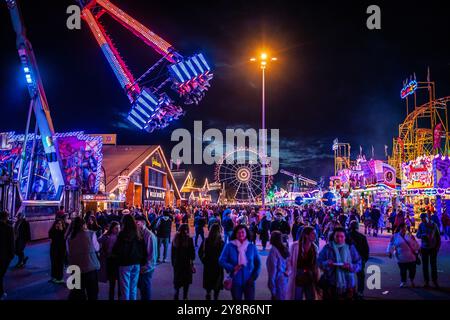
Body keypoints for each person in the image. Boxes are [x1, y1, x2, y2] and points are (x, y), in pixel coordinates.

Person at [318, 227, 361, 300]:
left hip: (348, 283)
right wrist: (326, 263)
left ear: (345, 237)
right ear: (333, 236)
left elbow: (359, 264)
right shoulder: (328, 247)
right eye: (337, 236)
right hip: (330, 282)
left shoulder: (350, 248)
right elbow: (319, 261)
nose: (339, 239)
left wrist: (350, 266)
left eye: (342, 236)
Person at [219, 225, 261, 300]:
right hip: (235, 280)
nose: (241, 234)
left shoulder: (251, 247)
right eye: (238, 233)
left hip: (249, 281)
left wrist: (254, 277)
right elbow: (221, 260)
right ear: (235, 234)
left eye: (242, 232)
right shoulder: (229, 246)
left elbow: (258, 263)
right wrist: (232, 267)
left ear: (246, 233)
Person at [112, 215, 147, 300]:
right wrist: (143, 262)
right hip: (136, 262)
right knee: (133, 287)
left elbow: (117, 249)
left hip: (125, 263)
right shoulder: (138, 233)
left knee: (125, 288)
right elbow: (143, 248)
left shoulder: (122, 234)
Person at [67, 217, 101, 300]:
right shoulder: (91, 234)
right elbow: (97, 248)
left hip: (75, 268)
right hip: (90, 267)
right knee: (92, 293)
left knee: (77, 294)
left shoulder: (69, 237)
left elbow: (69, 252)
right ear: (84, 224)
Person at [286, 226, 319, 300]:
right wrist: (289, 271)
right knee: (297, 296)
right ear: (306, 235)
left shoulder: (315, 248)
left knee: (311, 296)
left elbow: (316, 263)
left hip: (310, 275)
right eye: (313, 234)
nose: (315, 236)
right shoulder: (295, 246)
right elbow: (289, 260)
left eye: (315, 234)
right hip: (298, 274)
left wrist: (316, 274)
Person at [387, 223, 420, 288]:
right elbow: (391, 244)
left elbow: (415, 244)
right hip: (400, 257)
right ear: (400, 228)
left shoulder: (410, 235)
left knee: (412, 270)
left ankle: (411, 280)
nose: (404, 229)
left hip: (411, 257)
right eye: (402, 228)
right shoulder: (395, 236)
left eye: (405, 228)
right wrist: (389, 252)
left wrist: (418, 249)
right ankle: (403, 281)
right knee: (403, 270)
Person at [198, 223, 224, 300]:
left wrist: (204, 261)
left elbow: (200, 252)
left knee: (208, 281)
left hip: (208, 264)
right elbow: (225, 254)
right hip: (218, 265)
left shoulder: (206, 241)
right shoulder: (221, 243)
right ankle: (215, 297)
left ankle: (208, 294)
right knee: (217, 283)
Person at [416, 213, 441, 288]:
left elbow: (438, 237)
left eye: (424, 218)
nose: (423, 220)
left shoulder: (434, 225)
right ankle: (426, 281)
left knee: (433, 265)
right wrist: (422, 235)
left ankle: (435, 281)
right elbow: (417, 235)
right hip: (424, 248)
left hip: (433, 248)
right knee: (425, 266)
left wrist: (438, 247)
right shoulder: (421, 225)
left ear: (427, 218)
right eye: (422, 219)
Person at [136, 215, 158, 300]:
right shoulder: (140, 234)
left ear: (142, 223)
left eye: (137, 223)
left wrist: (147, 267)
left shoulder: (149, 235)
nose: (135, 225)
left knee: (145, 288)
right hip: (141, 265)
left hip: (146, 267)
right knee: (142, 287)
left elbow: (152, 253)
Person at [171, 224, 196, 300]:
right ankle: (185, 296)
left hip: (177, 262)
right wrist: (192, 261)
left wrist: (173, 262)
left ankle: (176, 292)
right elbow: (192, 254)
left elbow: (173, 253)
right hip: (186, 263)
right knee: (186, 280)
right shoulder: (189, 239)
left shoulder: (175, 239)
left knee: (177, 279)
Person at [346, 220, 369, 299]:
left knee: (348, 276)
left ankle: (350, 291)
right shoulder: (362, 237)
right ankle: (360, 291)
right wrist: (364, 259)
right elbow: (366, 249)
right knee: (360, 276)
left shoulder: (346, 236)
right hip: (359, 259)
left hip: (348, 259)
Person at [98, 221, 120, 300]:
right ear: (112, 228)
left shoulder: (119, 236)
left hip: (118, 260)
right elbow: (98, 240)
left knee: (120, 282)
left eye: (119, 228)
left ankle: (119, 297)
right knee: (112, 282)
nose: (118, 230)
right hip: (110, 260)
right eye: (116, 228)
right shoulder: (107, 236)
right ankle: (111, 297)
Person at [266, 231, 290, 300]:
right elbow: (289, 264)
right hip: (284, 279)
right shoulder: (284, 249)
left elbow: (273, 269)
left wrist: (271, 286)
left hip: (277, 280)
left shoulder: (273, 251)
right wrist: (287, 272)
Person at [0, 211, 14, 300]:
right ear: (6, 217)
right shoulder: (9, 228)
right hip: (4, 255)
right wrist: (11, 255)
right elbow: (11, 243)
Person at [48, 219, 67, 284]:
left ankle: (59, 277)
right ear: (55, 224)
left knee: (60, 263)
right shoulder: (52, 231)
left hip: (61, 249)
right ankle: (54, 277)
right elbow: (51, 240)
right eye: (58, 223)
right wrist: (55, 230)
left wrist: (61, 230)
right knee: (54, 263)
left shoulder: (64, 230)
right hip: (54, 249)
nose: (59, 224)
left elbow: (65, 239)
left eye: (61, 223)